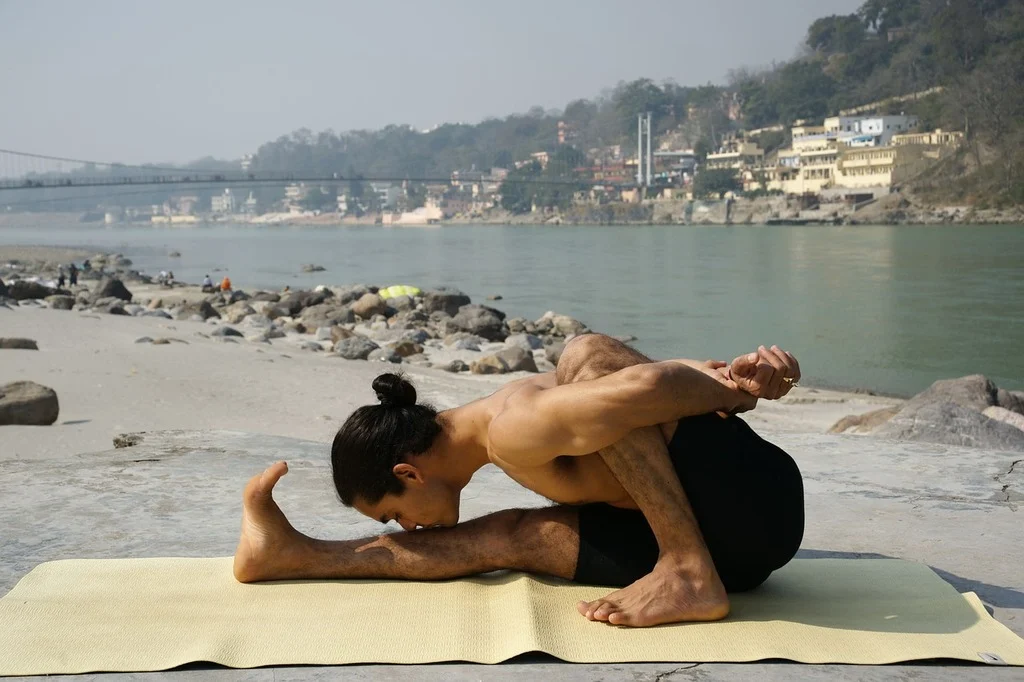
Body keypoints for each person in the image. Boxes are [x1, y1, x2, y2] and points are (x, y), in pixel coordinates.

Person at [233, 334, 804, 628]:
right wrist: (734, 378)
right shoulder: (501, 418)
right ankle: (293, 554)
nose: (408, 526)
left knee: (585, 356)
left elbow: (650, 388)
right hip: (748, 508)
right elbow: (654, 388)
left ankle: (686, 568)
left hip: (750, 515)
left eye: (393, 514)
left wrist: (736, 390)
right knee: (515, 532)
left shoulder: (512, 429)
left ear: (408, 472)